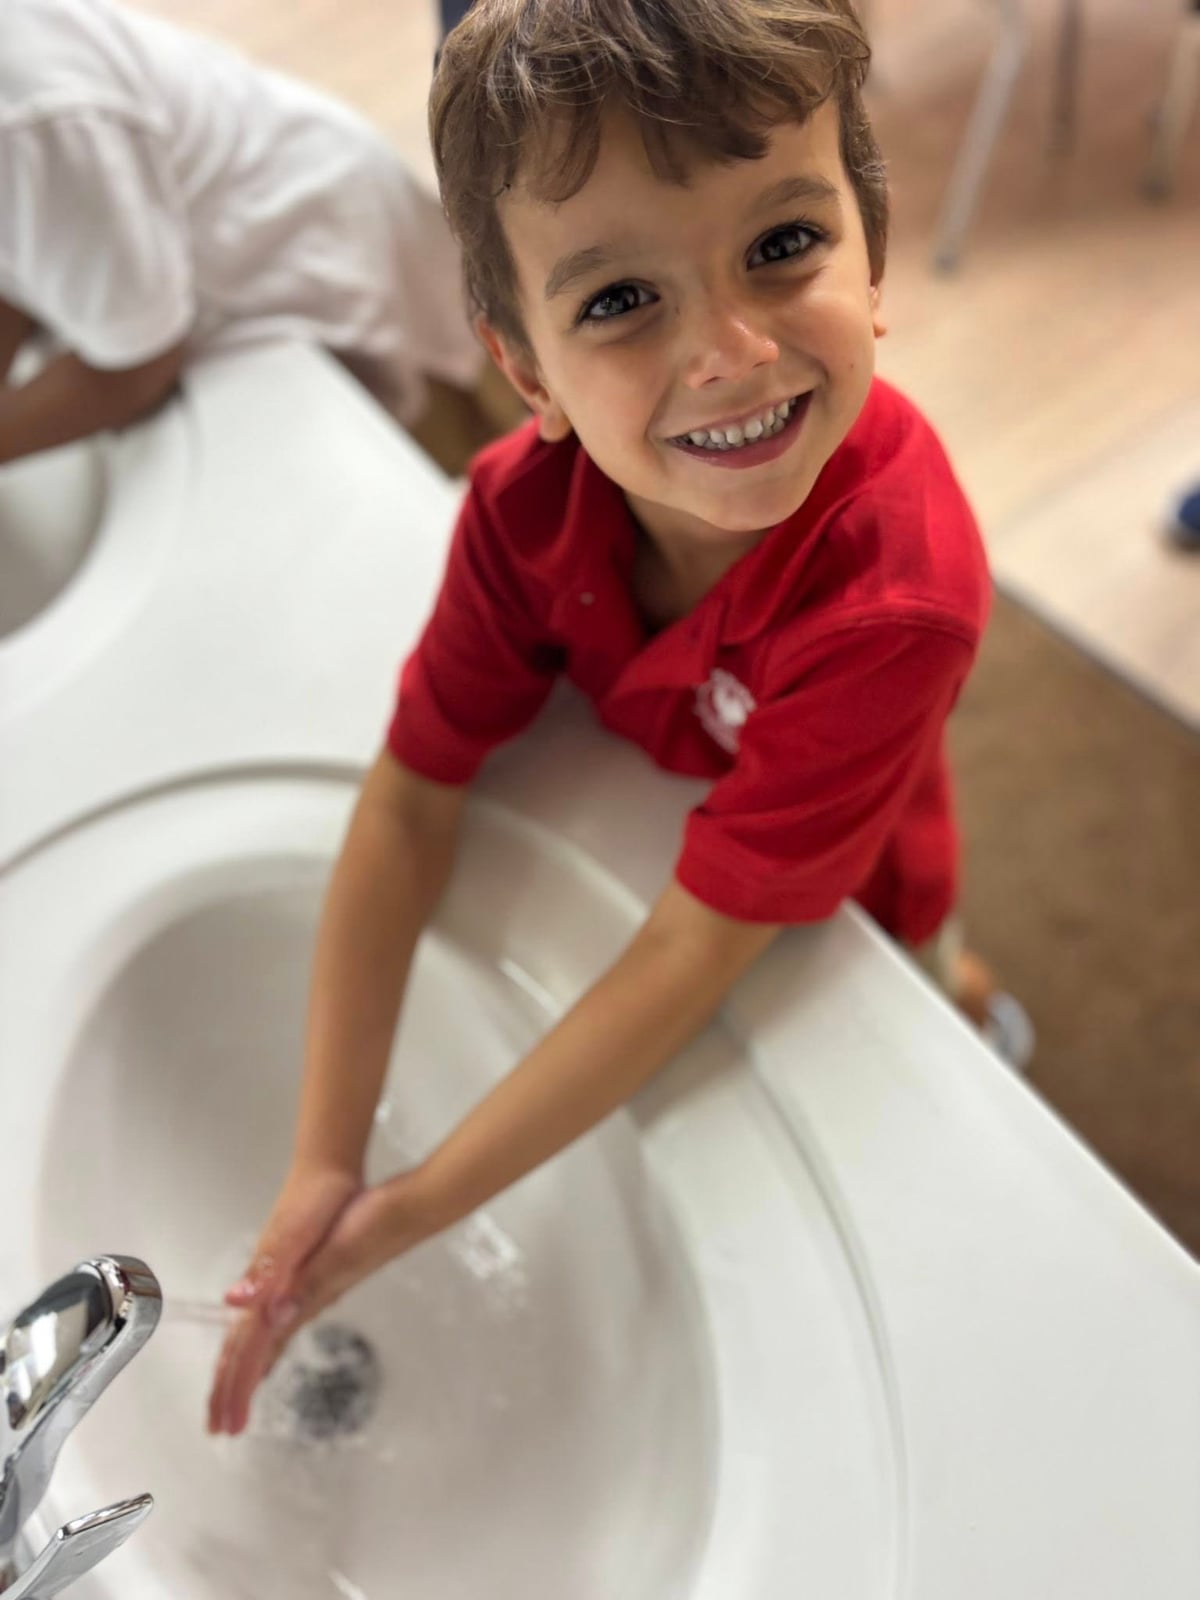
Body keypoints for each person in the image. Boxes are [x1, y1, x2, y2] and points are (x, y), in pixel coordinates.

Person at [207, 0, 1028, 1437]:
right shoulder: (520, 509)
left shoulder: (900, 599)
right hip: (668, 823)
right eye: (618, 301)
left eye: (784, 245)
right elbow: (410, 796)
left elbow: (707, 940)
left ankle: (977, 1007)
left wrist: (410, 1212)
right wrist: (323, 1162)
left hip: (856, 908)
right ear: (525, 373)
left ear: (876, 253)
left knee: (929, 1023)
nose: (729, 353)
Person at [0, 0, 521, 476]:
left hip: (327, 257)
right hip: (281, 211)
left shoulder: (34, 124)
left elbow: (138, 362)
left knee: (482, 440)